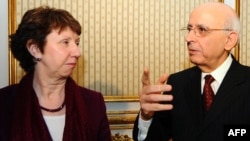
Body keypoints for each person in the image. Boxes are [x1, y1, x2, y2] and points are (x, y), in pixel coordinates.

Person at [133, 2, 250, 141]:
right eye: (189, 29)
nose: (188, 38)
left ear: (229, 40)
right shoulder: (176, 84)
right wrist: (146, 117)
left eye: (202, 30)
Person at [0, 6, 111, 141]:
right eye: (65, 42)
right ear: (35, 49)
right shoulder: (4, 103)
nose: (77, 52)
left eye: (77, 43)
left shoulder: (93, 103)